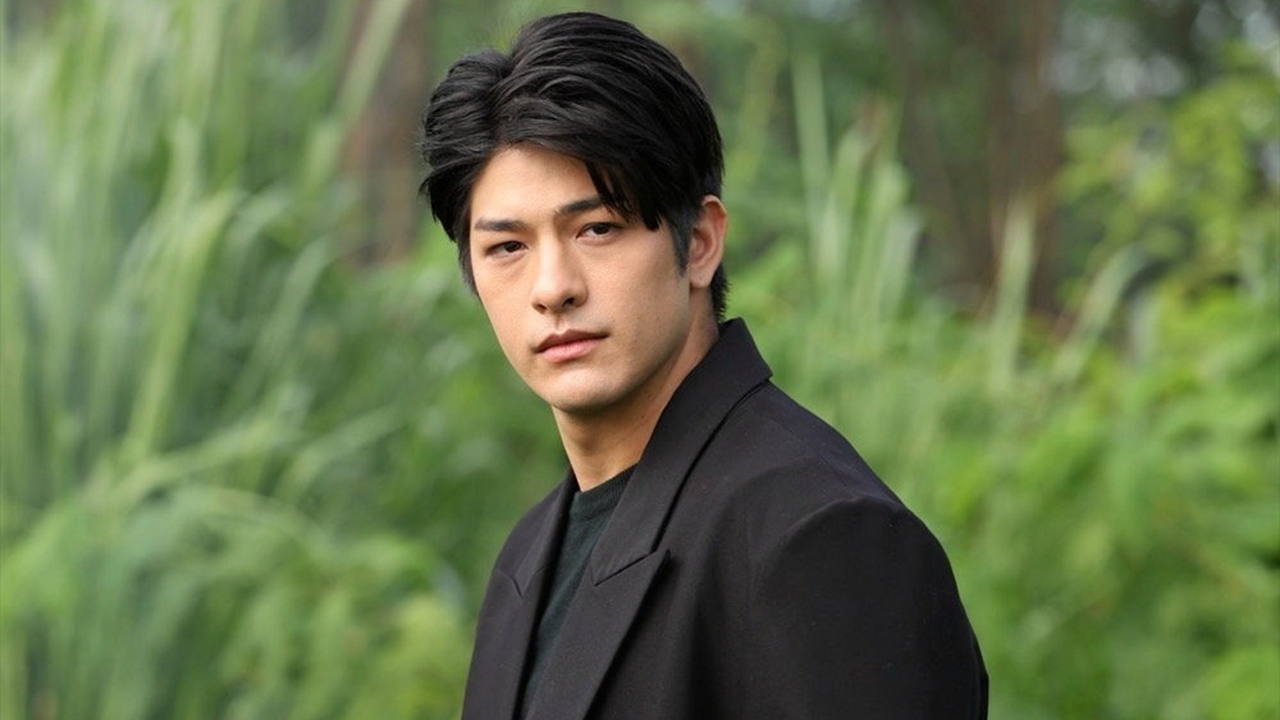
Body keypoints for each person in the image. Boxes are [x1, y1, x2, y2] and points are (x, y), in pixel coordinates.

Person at [418, 11, 987, 719]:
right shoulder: (529, 557)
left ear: (699, 243)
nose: (552, 287)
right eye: (508, 247)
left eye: (597, 228)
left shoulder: (822, 538)